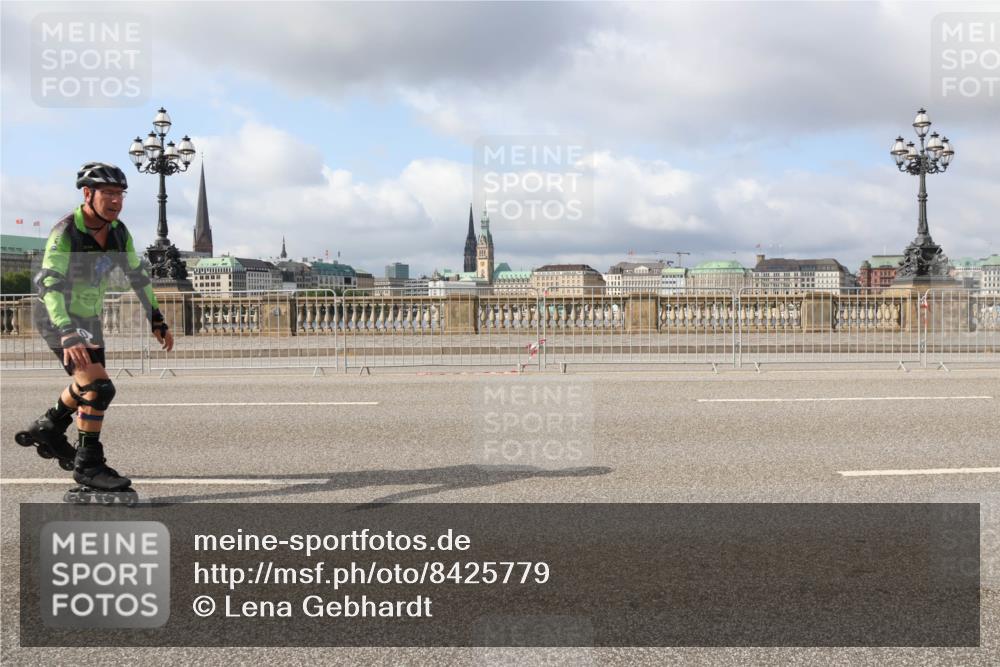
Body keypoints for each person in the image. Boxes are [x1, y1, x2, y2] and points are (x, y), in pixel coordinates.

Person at [18, 162, 174, 497]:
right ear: (88, 194)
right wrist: (67, 332)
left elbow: (137, 275)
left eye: (120, 194)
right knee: (99, 388)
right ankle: (88, 466)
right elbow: (50, 285)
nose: (116, 201)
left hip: (88, 318)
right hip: (58, 316)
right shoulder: (66, 233)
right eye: (109, 193)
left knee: (86, 385)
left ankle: (50, 425)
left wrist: (156, 317)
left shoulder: (119, 231)